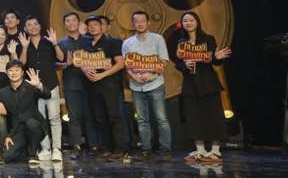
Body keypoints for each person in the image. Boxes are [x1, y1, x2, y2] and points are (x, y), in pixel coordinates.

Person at [173, 11, 232, 162]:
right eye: (185, 21)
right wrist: (184, 65)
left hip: (208, 83)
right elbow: (178, 64)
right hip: (190, 84)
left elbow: (215, 61)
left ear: (197, 22)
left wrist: (216, 58)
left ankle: (215, 151)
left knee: (214, 116)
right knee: (194, 118)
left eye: (191, 20)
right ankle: (200, 150)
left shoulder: (208, 39)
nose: (188, 23)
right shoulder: (181, 42)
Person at [122, 10, 173, 161]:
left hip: (155, 84)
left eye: (142, 21)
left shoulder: (158, 39)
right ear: (133, 24)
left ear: (148, 23)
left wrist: (152, 75)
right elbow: (126, 65)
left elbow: (163, 60)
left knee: (161, 118)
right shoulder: (127, 43)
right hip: (136, 86)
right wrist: (134, 77)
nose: (139, 24)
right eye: (136, 21)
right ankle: (146, 149)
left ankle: (166, 149)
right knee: (142, 120)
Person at [78, 15, 129, 162]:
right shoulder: (86, 43)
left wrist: (103, 75)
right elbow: (80, 61)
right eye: (90, 25)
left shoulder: (113, 42)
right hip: (92, 86)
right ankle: (106, 148)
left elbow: (120, 63)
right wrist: (85, 70)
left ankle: (119, 149)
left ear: (102, 27)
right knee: (99, 118)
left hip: (110, 85)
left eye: (96, 24)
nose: (93, 27)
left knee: (114, 116)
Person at [19, 16, 64, 162]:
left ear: (39, 26)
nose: (33, 27)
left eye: (35, 24)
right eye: (29, 25)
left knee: (54, 117)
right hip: (34, 87)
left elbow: (61, 58)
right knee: (40, 119)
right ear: (25, 29)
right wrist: (24, 47)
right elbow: (21, 64)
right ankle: (45, 148)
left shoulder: (48, 42)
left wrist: (55, 44)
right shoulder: (24, 44)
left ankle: (57, 149)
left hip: (51, 84)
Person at [56, 11, 100, 159]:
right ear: (64, 24)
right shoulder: (61, 43)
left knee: (90, 115)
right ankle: (76, 147)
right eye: (68, 21)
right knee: (74, 117)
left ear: (79, 22)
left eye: (74, 20)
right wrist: (66, 64)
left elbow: (98, 57)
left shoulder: (88, 40)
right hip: (71, 84)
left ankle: (93, 145)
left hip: (90, 83)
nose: (71, 23)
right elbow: (57, 64)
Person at [0, 61, 51, 164]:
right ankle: (25, 150)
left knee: (31, 123)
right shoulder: (2, 92)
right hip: (17, 130)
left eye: (17, 70)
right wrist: (7, 135)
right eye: (10, 70)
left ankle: (33, 154)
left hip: (34, 127)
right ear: (6, 73)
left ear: (22, 73)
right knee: (6, 156)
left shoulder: (31, 86)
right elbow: (5, 117)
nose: (14, 73)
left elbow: (47, 95)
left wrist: (39, 85)